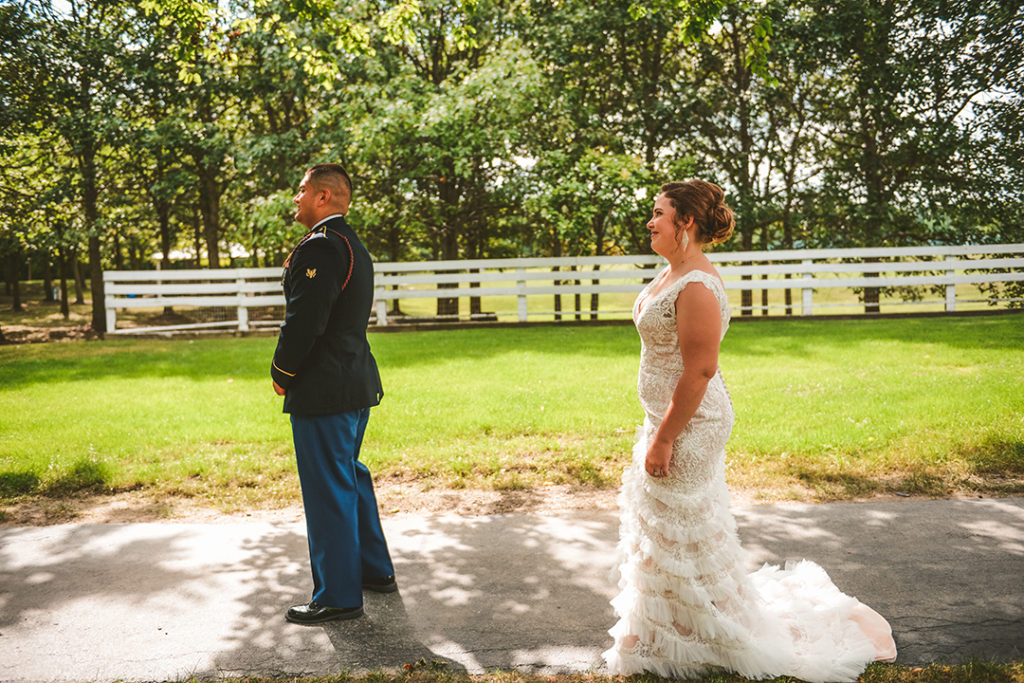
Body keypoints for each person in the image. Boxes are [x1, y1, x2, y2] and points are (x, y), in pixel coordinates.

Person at [603, 180, 897, 681]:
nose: (650, 222)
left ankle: (694, 633)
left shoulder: (695, 285)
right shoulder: (672, 273)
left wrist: (666, 437)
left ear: (686, 223)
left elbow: (699, 370)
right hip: (666, 418)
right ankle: (672, 629)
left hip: (690, 424)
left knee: (679, 528)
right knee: (666, 528)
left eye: (659, 214)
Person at [271, 163, 396, 624]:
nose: (297, 198)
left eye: (302, 190)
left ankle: (338, 596)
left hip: (325, 388)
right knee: (349, 475)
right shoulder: (350, 243)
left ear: (323, 197)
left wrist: (282, 371)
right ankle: (372, 570)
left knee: (328, 488)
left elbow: (306, 321)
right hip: (353, 382)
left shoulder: (321, 247)